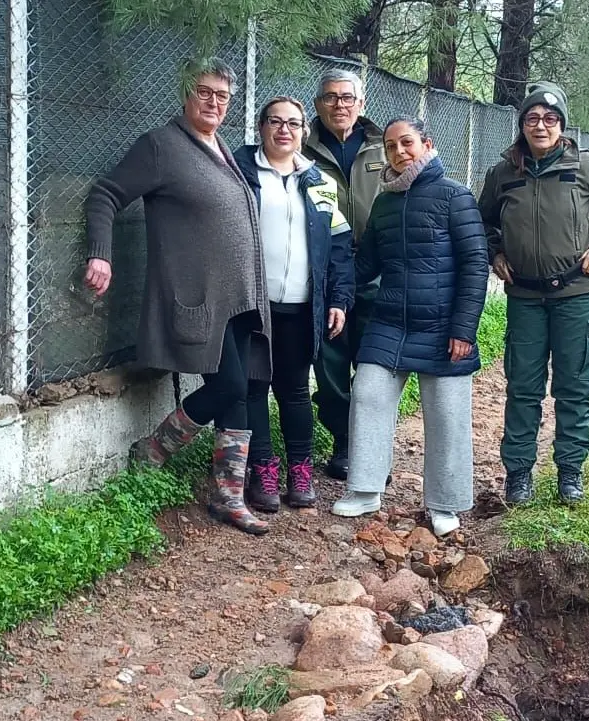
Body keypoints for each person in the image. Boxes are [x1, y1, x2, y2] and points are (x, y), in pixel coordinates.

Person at [82, 58, 273, 536]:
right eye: (204, 93)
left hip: (238, 297)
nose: (213, 103)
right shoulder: (160, 146)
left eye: (222, 97)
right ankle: (155, 449)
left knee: (241, 386)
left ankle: (227, 495)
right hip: (199, 298)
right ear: (186, 94)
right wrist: (101, 254)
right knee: (229, 386)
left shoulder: (221, 147)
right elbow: (105, 194)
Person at [477, 82, 589, 506]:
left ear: (562, 125)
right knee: (523, 388)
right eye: (532, 118)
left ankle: (570, 472)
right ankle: (518, 474)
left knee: (573, 386)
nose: (541, 126)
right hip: (525, 299)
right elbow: (481, 222)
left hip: (577, 294)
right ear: (521, 124)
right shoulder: (503, 173)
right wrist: (495, 251)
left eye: (550, 119)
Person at [331, 117, 489, 537]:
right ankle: (365, 490)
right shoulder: (384, 203)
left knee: (447, 416)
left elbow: (476, 264)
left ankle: (445, 503)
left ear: (426, 144)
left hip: (442, 326)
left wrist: (464, 329)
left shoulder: (455, 196)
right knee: (366, 395)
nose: (399, 152)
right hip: (389, 323)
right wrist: (334, 279)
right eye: (391, 146)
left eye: (407, 144)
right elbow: (367, 264)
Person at [232, 97, 354, 512]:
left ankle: (300, 470)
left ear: (304, 131)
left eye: (294, 124)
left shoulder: (319, 181)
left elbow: (339, 246)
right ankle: (262, 469)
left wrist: (339, 299)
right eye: (275, 122)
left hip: (301, 306)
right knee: (253, 388)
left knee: (295, 390)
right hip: (253, 304)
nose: (284, 130)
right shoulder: (240, 172)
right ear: (261, 127)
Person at [302, 70, 386, 481]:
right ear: (318, 104)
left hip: (377, 274)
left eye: (348, 97)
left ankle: (373, 447)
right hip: (325, 274)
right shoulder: (302, 149)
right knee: (331, 365)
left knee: (375, 365)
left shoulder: (383, 147)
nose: (340, 105)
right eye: (331, 97)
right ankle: (343, 444)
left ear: (361, 103)